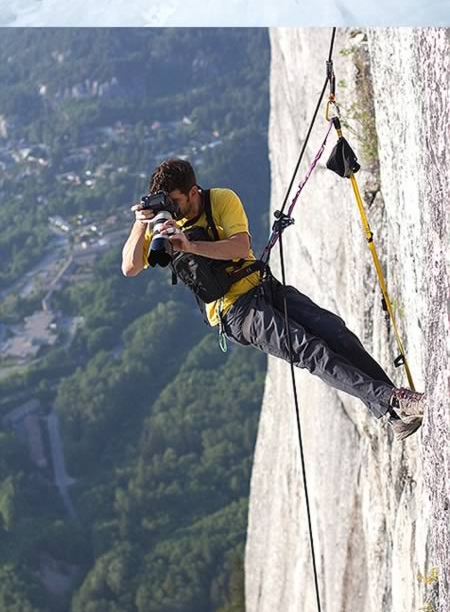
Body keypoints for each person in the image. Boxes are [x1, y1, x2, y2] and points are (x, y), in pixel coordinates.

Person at [122, 159, 425, 441]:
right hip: (234, 312)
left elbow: (240, 248)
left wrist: (190, 245)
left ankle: (391, 413)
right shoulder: (161, 226)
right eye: (167, 203)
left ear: (192, 191)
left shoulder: (221, 200)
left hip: (263, 286)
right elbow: (130, 267)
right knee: (311, 350)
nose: (172, 210)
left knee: (337, 332)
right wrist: (141, 223)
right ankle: (397, 400)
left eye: (175, 202)